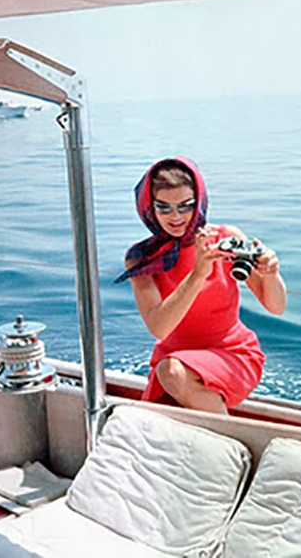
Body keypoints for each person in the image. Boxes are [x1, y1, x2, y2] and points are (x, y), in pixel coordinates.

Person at [115, 156, 286, 414]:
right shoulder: (142, 258)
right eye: (164, 208)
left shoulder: (226, 238)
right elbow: (159, 327)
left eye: (185, 206)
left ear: (199, 203)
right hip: (174, 362)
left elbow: (276, 307)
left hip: (232, 354)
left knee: (172, 372)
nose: (176, 217)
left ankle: (227, 436)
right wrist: (198, 274)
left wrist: (271, 273)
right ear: (149, 207)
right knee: (167, 387)